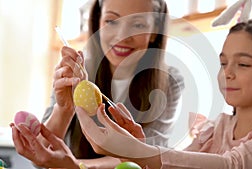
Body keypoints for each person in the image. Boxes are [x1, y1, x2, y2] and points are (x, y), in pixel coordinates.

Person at [73, 19, 252, 169]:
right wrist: (136, 145)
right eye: (223, 62)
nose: (227, 73)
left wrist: (139, 151)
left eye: (243, 64)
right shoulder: (218, 128)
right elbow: (180, 163)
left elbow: (230, 165)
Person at [11, 0, 183, 168]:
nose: (122, 36)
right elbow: (41, 157)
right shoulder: (74, 72)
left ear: (155, 32)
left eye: (138, 25)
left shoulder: (169, 82)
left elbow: (150, 157)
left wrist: (74, 166)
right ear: (98, 22)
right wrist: (63, 109)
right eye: (111, 21)